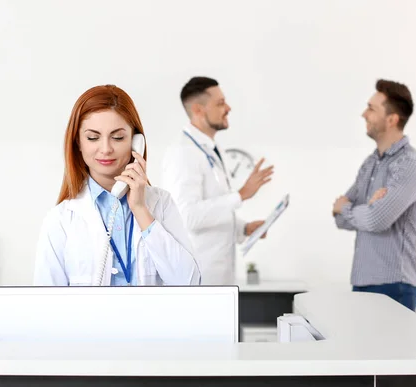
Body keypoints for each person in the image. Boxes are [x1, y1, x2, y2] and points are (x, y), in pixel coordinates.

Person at [34, 85, 200, 286]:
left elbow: (190, 283)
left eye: (118, 137)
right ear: (78, 142)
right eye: (93, 137)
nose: (105, 149)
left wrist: (140, 209)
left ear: (136, 141)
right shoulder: (61, 220)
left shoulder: (161, 204)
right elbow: (47, 306)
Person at [161, 77, 274, 285]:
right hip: (198, 280)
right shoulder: (183, 153)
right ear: (198, 110)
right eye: (220, 103)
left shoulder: (212, 149)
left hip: (219, 279)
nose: (228, 108)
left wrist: (243, 228)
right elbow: (187, 217)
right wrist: (240, 195)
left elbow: (210, 208)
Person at [333, 79, 416, 312]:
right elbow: (339, 219)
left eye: (371, 109)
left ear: (392, 119)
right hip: (362, 282)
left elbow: (376, 220)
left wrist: (349, 208)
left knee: (394, 350)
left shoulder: (409, 164)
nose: (363, 114)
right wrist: (367, 209)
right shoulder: (370, 163)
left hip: (395, 286)